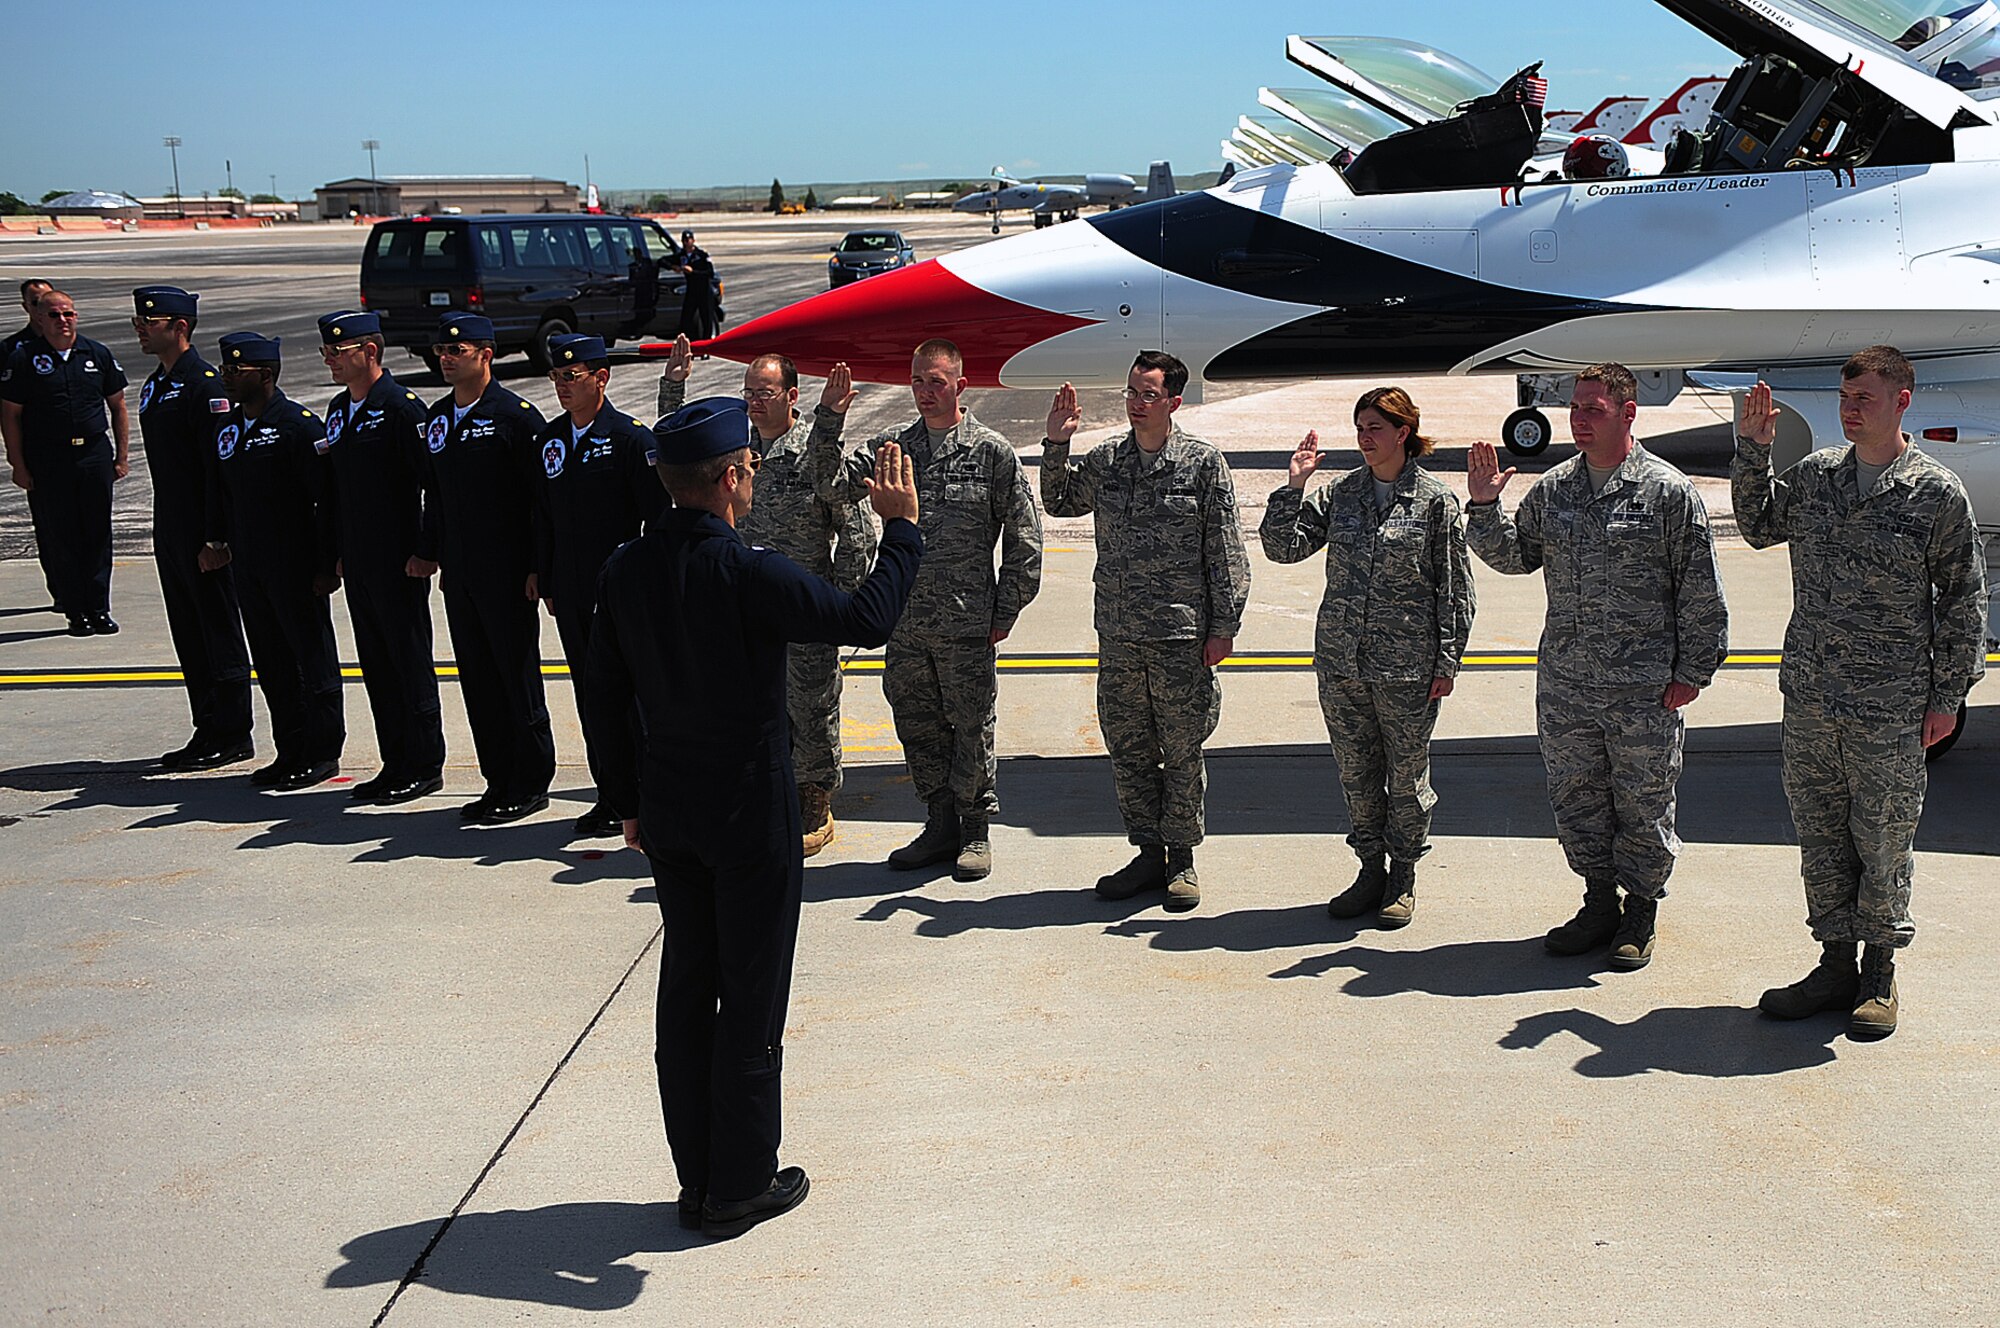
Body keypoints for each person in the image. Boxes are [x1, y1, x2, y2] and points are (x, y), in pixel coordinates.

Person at [585, 398, 923, 1240]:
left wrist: (626, 801)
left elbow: (603, 696)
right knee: (752, 996)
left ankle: (696, 1177)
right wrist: (902, 532)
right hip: (745, 817)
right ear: (733, 477)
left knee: (688, 986)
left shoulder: (626, 568)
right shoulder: (748, 570)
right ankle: (739, 1182)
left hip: (669, 812)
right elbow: (864, 619)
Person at [1733, 347, 1987, 1038]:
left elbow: (1964, 599)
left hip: (1890, 704)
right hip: (1813, 697)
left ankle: (1879, 974)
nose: (1850, 409)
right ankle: (1833, 963)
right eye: (1846, 398)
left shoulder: (1934, 493)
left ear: (1903, 400)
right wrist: (1754, 451)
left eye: (1864, 398)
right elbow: (1758, 528)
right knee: (1821, 837)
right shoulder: (1816, 478)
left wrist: (1948, 696)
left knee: (1882, 838)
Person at [1466, 362, 1728, 969]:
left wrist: (1694, 670)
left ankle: (1640, 909)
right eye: (1575, 409)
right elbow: (1514, 557)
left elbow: (1700, 591)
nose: (1580, 421)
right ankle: (1597, 902)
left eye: (1594, 410)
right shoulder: (1555, 488)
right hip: (1567, 683)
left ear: (1628, 413)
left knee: (1643, 799)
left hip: (1644, 687)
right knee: (1577, 797)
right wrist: (1483, 508)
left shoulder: (1666, 492)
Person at [810, 338, 1043, 880]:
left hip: (967, 623)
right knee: (916, 723)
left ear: (960, 385)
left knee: (970, 724)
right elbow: (830, 484)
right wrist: (829, 419)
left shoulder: (991, 452)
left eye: (936, 382)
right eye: (917, 381)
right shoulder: (894, 448)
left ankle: (975, 829)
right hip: (907, 622)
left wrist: (1004, 609)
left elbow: (1025, 540)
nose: (924, 392)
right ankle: (938, 823)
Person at [1040, 353, 1251, 910]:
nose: (1136, 402)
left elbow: (1225, 550)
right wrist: (1057, 443)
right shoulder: (1108, 461)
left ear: (1174, 402)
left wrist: (1223, 626)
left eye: (1148, 394)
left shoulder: (1202, 465)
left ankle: (1181, 860)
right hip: (1120, 633)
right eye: (1132, 391)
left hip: (1182, 636)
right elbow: (1059, 502)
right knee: (1129, 749)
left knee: (1181, 750)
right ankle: (1146, 854)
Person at [1260, 387, 1475, 927]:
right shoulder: (1342, 494)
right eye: (1359, 428)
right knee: (1356, 775)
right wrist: (1295, 484)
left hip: (1407, 667)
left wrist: (1447, 661)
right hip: (1342, 664)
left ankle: (1403, 874)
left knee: (1405, 778)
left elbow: (1455, 588)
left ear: (1403, 433)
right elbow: (1282, 547)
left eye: (1375, 428)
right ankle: (1369, 870)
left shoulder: (1434, 502)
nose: (1364, 439)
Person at [661, 338, 877, 856]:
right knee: (751, 702)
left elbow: (854, 530)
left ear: (792, 396)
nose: (755, 401)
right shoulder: (736, 453)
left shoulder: (814, 454)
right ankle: (764, 788)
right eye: (749, 392)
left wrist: (839, 602)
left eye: (766, 392)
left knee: (810, 701)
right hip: (740, 606)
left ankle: (814, 795)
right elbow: (681, 454)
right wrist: (674, 387)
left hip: (800, 605)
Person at [422, 312, 556, 826]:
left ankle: (530, 778)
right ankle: (497, 777)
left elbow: (538, 503)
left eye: (459, 350)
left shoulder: (515, 418)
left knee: (514, 675)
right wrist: (428, 549)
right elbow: (435, 495)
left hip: (506, 573)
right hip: (460, 573)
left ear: (486, 355)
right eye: (442, 351)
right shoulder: (437, 418)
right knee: (476, 677)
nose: (448, 357)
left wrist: (536, 567)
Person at [532, 333, 664, 838]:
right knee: (592, 699)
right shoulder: (550, 441)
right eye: (557, 378)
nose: (563, 386)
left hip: (620, 597)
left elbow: (655, 520)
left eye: (573, 376)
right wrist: (543, 577)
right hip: (571, 592)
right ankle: (610, 794)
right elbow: (543, 517)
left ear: (601, 378)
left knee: (631, 702)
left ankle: (643, 796)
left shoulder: (630, 439)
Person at [317, 310, 444, 805]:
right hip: (360, 560)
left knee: (407, 661)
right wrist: (338, 554)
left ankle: (423, 762)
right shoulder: (338, 409)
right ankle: (395, 761)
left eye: (338, 351)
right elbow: (336, 492)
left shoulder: (402, 407)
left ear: (370, 352)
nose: (330, 360)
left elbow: (431, 485)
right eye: (327, 352)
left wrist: (426, 550)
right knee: (376, 664)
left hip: (399, 558)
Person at [211, 331, 344, 789]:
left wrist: (326, 565)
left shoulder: (298, 427)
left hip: (295, 566)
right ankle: (290, 749)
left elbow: (325, 501)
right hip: (250, 566)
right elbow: (226, 496)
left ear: (265, 375)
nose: (226, 377)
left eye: (235, 370)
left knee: (310, 659)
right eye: (225, 369)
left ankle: (322, 751)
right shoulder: (229, 429)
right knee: (271, 661)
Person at [130, 285, 255, 770]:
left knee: (216, 630)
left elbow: (215, 468)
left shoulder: (205, 385)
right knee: (189, 631)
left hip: (203, 532)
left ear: (180, 327)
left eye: (150, 321)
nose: (140, 328)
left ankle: (231, 731)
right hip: (171, 527)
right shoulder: (157, 385)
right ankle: (207, 726)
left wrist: (215, 536)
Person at [1, 289, 130, 636]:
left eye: (69, 314)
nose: (63, 321)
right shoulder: (24, 357)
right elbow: (11, 415)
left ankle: (99, 607)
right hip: (48, 458)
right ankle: (76, 612)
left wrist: (121, 456)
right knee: (62, 537)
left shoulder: (96, 353)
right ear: (39, 318)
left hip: (92, 455)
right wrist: (18, 463)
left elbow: (117, 406)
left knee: (97, 533)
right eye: (55, 315)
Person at [677, 231, 719, 342]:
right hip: (691, 291)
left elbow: (709, 273)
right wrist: (674, 267)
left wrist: (693, 272)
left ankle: (706, 346)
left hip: (704, 291)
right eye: (685, 240)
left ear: (693, 240)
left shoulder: (701, 255)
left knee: (706, 318)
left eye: (689, 239)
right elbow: (663, 261)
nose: (687, 242)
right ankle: (690, 342)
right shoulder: (681, 256)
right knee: (686, 319)